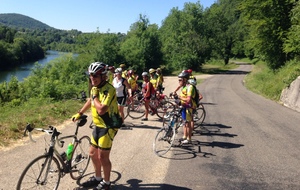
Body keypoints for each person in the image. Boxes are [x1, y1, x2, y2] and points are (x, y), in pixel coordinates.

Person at [71, 62, 120, 190]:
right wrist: (80, 113)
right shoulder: (94, 88)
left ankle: (107, 182)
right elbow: (90, 100)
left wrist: (94, 96)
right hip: (98, 125)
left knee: (103, 156)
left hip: (109, 126)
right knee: (92, 154)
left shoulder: (110, 89)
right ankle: (98, 178)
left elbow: (101, 109)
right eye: (91, 75)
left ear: (104, 76)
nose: (92, 78)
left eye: (95, 75)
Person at [176, 71, 196, 144]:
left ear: (185, 80)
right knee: (184, 122)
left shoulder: (189, 87)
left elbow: (188, 100)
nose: (179, 81)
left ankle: (189, 139)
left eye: (180, 80)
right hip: (184, 106)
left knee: (188, 123)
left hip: (189, 107)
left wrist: (179, 97)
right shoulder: (184, 86)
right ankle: (185, 136)